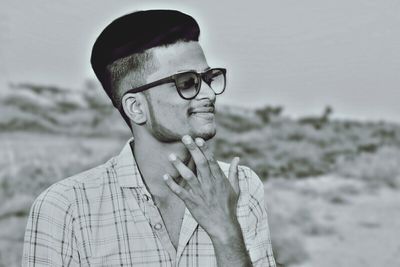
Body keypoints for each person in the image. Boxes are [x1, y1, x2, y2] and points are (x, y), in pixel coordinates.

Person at [22, 10, 276, 267]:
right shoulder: (65, 208)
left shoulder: (241, 186)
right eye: (187, 82)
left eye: (208, 78)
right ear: (136, 108)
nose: (209, 94)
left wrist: (226, 233)